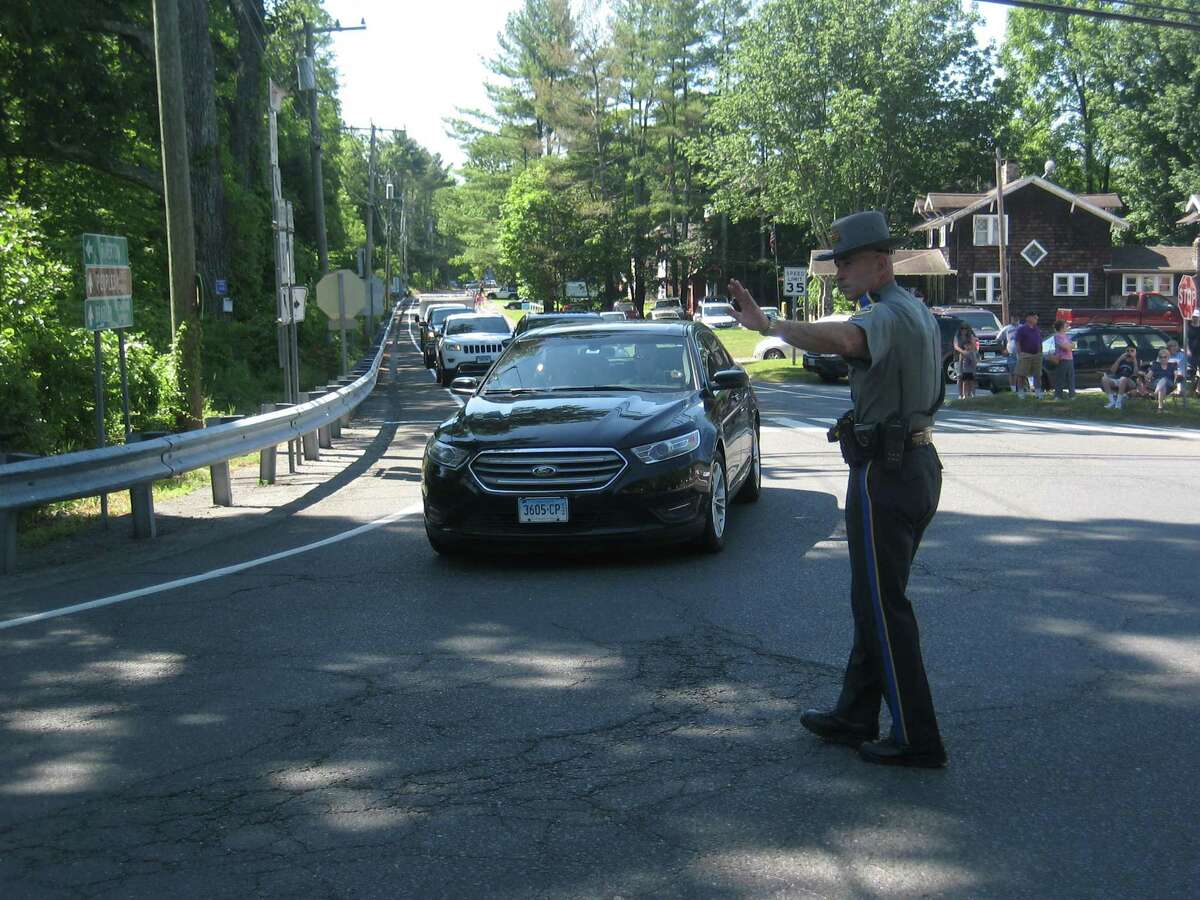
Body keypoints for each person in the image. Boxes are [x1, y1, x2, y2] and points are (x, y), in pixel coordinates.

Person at [727, 210, 947, 768]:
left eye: (848, 262)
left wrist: (769, 325)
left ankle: (917, 737)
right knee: (873, 598)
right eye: (837, 263)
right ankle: (855, 712)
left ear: (881, 261)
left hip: (887, 473)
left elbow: (847, 338)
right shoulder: (915, 310)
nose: (840, 271)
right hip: (916, 463)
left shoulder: (887, 316)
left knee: (883, 604)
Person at [1014, 312, 1043, 399]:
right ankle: (1021, 392)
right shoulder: (1022, 329)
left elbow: (1039, 341)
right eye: (1034, 318)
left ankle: (1038, 392)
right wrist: (1020, 353)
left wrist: (1040, 352)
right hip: (1025, 354)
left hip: (1036, 355)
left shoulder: (1037, 329)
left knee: (1037, 374)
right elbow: (1018, 342)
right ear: (1028, 318)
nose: (1036, 320)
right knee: (1021, 374)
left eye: (1037, 318)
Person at [1101, 346, 1139, 410]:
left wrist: (1134, 360)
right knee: (1104, 379)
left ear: (1135, 352)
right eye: (1127, 351)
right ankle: (1112, 401)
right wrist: (1119, 359)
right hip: (1118, 379)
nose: (1129, 352)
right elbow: (1112, 371)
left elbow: (1135, 374)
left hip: (1130, 381)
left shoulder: (1137, 361)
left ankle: (1118, 403)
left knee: (1123, 379)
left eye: (1132, 351)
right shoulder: (1121, 360)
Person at [1050, 319, 1076, 400]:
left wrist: (1069, 346)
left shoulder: (1066, 336)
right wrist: (1069, 346)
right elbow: (1064, 347)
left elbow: (1073, 345)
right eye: (1065, 325)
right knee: (1060, 378)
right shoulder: (1057, 336)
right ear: (1061, 327)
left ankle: (1072, 395)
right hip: (1062, 359)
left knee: (1071, 378)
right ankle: (1058, 395)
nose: (1067, 327)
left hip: (1070, 359)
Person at [996, 314, 1021, 392]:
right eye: (1013, 318)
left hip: (1021, 353)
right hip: (1010, 354)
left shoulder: (1023, 328)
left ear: (1019, 318)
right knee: (1012, 373)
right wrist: (1003, 349)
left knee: (1021, 373)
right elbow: (998, 339)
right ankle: (1013, 390)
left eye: (1016, 318)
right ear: (1011, 319)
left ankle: (1020, 389)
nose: (1015, 320)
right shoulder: (1007, 328)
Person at [953, 324, 978, 399]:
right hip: (959, 357)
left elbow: (974, 346)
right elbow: (956, 346)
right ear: (960, 329)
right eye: (962, 329)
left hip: (969, 359)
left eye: (966, 329)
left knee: (970, 379)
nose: (964, 330)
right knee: (960, 376)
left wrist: (971, 354)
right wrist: (963, 352)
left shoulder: (970, 337)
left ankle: (970, 394)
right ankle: (960, 395)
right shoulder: (957, 337)